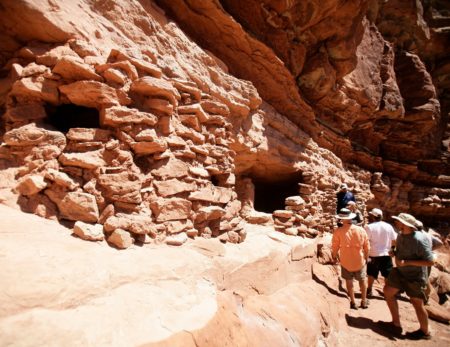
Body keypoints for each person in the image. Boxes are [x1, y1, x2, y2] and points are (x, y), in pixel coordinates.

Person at [382, 213, 434, 340]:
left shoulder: (419, 240)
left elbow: (430, 261)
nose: (396, 223)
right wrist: (393, 253)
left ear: (405, 224)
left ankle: (425, 332)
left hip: (415, 276)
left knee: (417, 303)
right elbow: (399, 250)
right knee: (388, 292)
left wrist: (408, 262)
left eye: (398, 221)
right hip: (400, 272)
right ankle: (396, 324)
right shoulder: (400, 235)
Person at [332, 208, 370, 309]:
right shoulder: (361, 230)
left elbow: (335, 246)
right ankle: (364, 300)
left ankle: (353, 302)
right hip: (359, 260)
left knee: (349, 281)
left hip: (345, 261)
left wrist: (334, 256)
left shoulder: (338, 231)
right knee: (362, 281)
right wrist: (366, 257)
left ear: (341, 219)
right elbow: (367, 246)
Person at [364, 208, 397, 297]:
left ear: (373, 217)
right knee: (387, 274)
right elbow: (394, 239)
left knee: (371, 273)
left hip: (373, 254)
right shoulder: (388, 226)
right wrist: (393, 249)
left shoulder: (369, 227)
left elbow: (365, 240)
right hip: (386, 254)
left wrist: (365, 253)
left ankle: (369, 289)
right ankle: (388, 292)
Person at [415, 220, 443, 299]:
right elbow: (440, 243)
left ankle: (420, 297)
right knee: (426, 278)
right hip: (429, 258)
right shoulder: (427, 234)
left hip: (420, 259)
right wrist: (431, 249)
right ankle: (426, 297)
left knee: (419, 278)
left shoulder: (416, 235)